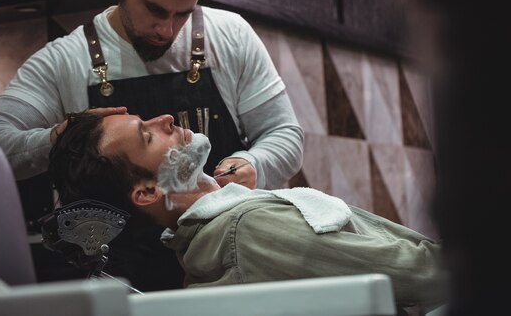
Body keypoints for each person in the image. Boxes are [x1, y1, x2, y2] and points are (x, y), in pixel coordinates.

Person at [0, 0, 303, 290]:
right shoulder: (64, 60)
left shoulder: (230, 36)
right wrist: (63, 135)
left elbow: (285, 133)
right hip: (123, 281)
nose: (167, 30)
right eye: (155, 10)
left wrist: (253, 163)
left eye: (184, 13)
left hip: (233, 265)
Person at [47, 111, 447, 311]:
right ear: (149, 191)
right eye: (147, 134)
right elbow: (426, 276)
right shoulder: (247, 231)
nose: (165, 118)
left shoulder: (227, 231)